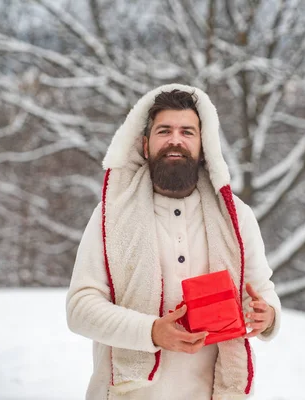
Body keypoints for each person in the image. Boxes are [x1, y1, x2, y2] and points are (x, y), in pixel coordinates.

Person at [66, 84, 281, 400]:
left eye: (187, 132)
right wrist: (151, 331)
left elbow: (261, 291)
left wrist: (269, 315)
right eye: (164, 131)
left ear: (204, 144)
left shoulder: (236, 216)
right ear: (145, 143)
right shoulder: (111, 215)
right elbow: (79, 309)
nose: (175, 139)